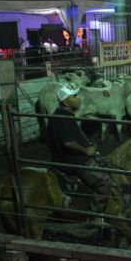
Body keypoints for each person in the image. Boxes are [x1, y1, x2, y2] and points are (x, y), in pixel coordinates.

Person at [47, 85, 111, 213]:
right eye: (74, 96)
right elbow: (68, 143)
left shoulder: (60, 115)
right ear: (65, 101)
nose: (78, 98)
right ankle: (96, 216)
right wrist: (86, 150)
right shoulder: (64, 118)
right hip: (73, 161)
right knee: (104, 182)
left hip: (69, 159)